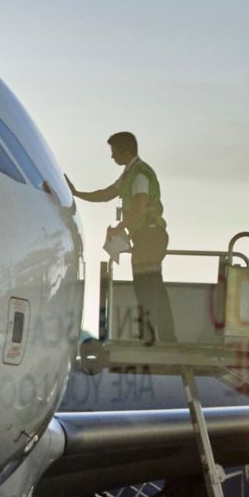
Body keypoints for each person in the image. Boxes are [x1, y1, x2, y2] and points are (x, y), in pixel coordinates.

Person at [67, 132, 177, 344]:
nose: (112, 157)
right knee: (153, 286)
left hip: (150, 236)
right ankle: (164, 336)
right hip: (147, 237)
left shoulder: (140, 176)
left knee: (146, 286)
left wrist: (119, 228)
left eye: (114, 152)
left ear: (126, 152)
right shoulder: (130, 174)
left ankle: (151, 336)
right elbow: (106, 194)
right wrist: (78, 193)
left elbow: (138, 209)